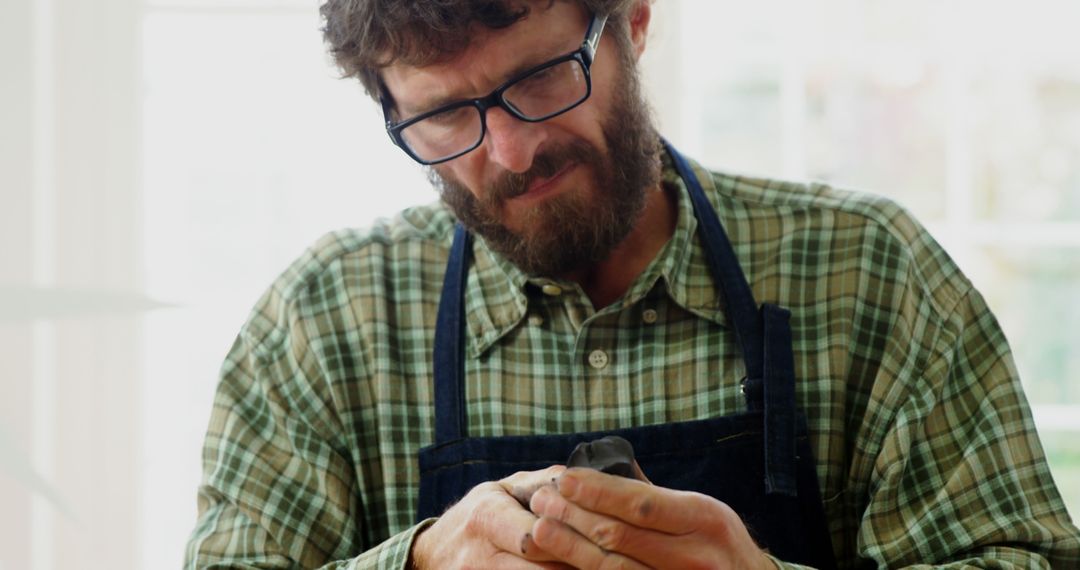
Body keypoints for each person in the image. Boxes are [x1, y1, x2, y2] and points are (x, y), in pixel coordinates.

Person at [184, 0, 1080, 568]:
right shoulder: (323, 321)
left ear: (633, 22)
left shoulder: (872, 272)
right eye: (445, 115)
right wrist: (417, 563)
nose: (509, 152)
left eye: (537, 79)